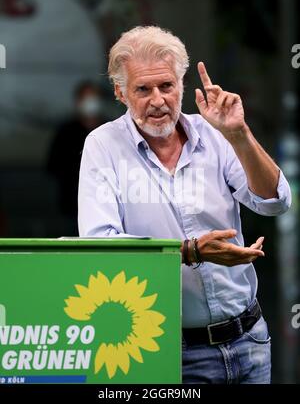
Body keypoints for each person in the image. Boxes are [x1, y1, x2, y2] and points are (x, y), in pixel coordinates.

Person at [78, 26, 291, 383]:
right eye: (142, 89)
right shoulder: (103, 146)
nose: (158, 100)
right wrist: (190, 251)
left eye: (166, 86)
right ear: (120, 92)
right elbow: (102, 245)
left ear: (181, 84)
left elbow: (274, 202)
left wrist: (239, 135)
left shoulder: (216, 133)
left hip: (250, 339)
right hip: (172, 353)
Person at [47, 81, 107, 232]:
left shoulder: (110, 130)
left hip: (106, 204)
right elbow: (53, 166)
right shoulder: (66, 132)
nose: (90, 103)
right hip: (71, 206)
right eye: (86, 98)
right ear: (77, 102)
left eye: (93, 98)